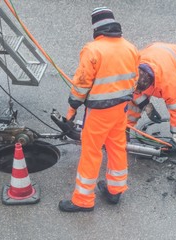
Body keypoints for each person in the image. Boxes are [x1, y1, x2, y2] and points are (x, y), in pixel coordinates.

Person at [59, 7, 140, 212]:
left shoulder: (93, 50)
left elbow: (82, 83)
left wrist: (72, 108)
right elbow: (134, 80)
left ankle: (83, 200)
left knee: (91, 152)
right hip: (121, 109)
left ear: (96, 28)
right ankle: (115, 190)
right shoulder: (130, 47)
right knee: (117, 148)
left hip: (99, 113)